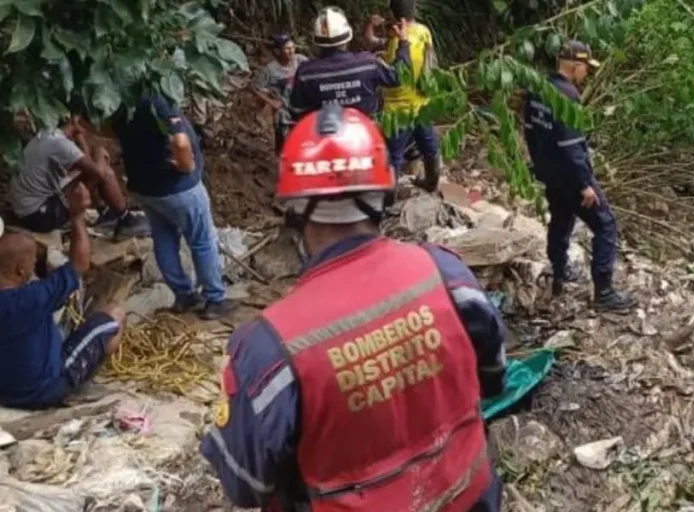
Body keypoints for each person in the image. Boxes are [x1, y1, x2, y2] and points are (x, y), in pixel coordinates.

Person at [201, 105, 506, 511]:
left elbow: (245, 485)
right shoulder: (448, 276)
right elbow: (493, 378)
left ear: (294, 208)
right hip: (467, 497)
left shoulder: (268, 349)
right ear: (385, 191)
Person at [523, 41, 636, 311]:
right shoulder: (567, 96)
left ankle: (559, 274)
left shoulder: (537, 88)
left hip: (549, 171)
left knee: (561, 219)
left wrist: (540, 165)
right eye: (585, 68)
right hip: (570, 175)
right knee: (606, 225)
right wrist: (585, 184)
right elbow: (571, 146)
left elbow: (529, 130)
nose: (587, 73)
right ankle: (604, 292)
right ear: (575, 67)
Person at [0, 183, 126, 409]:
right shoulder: (33, 298)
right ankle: (82, 380)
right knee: (115, 315)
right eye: (32, 262)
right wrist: (77, 215)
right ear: (20, 270)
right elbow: (80, 264)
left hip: (5, 393)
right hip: (46, 389)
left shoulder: (29, 297)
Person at [110, 92, 230, 320]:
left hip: (144, 186)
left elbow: (104, 128)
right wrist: (187, 166)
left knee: (164, 238)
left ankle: (184, 295)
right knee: (202, 240)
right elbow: (180, 142)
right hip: (177, 186)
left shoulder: (119, 96)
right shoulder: (157, 97)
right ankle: (215, 298)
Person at [8, 109, 149, 239]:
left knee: (89, 170)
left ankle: (106, 213)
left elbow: (86, 162)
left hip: (27, 209)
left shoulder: (48, 134)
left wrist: (79, 135)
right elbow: (98, 173)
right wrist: (99, 153)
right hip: (37, 216)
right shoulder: (60, 144)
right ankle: (126, 220)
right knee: (104, 172)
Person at [363, 0, 443, 192]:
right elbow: (430, 64)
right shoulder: (423, 32)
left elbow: (391, 67)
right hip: (421, 105)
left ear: (394, 15)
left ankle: (388, 197)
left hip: (397, 111)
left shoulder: (397, 40)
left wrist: (375, 28)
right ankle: (431, 184)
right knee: (429, 148)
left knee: (393, 156)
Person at [288, 6, 411, 120]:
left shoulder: (305, 73)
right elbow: (400, 76)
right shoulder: (369, 64)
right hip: (364, 133)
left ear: (317, 41)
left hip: (324, 133)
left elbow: (296, 111)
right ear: (348, 36)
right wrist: (404, 42)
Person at [251, 33, 309, 153]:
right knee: (283, 140)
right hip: (283, 110)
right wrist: (271, 101)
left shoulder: (300, 61)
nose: (291, 51)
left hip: (301, 107)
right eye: (287, 49)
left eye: (292, 47)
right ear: (278, 51)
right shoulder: (270, 69)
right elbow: (254, 87)